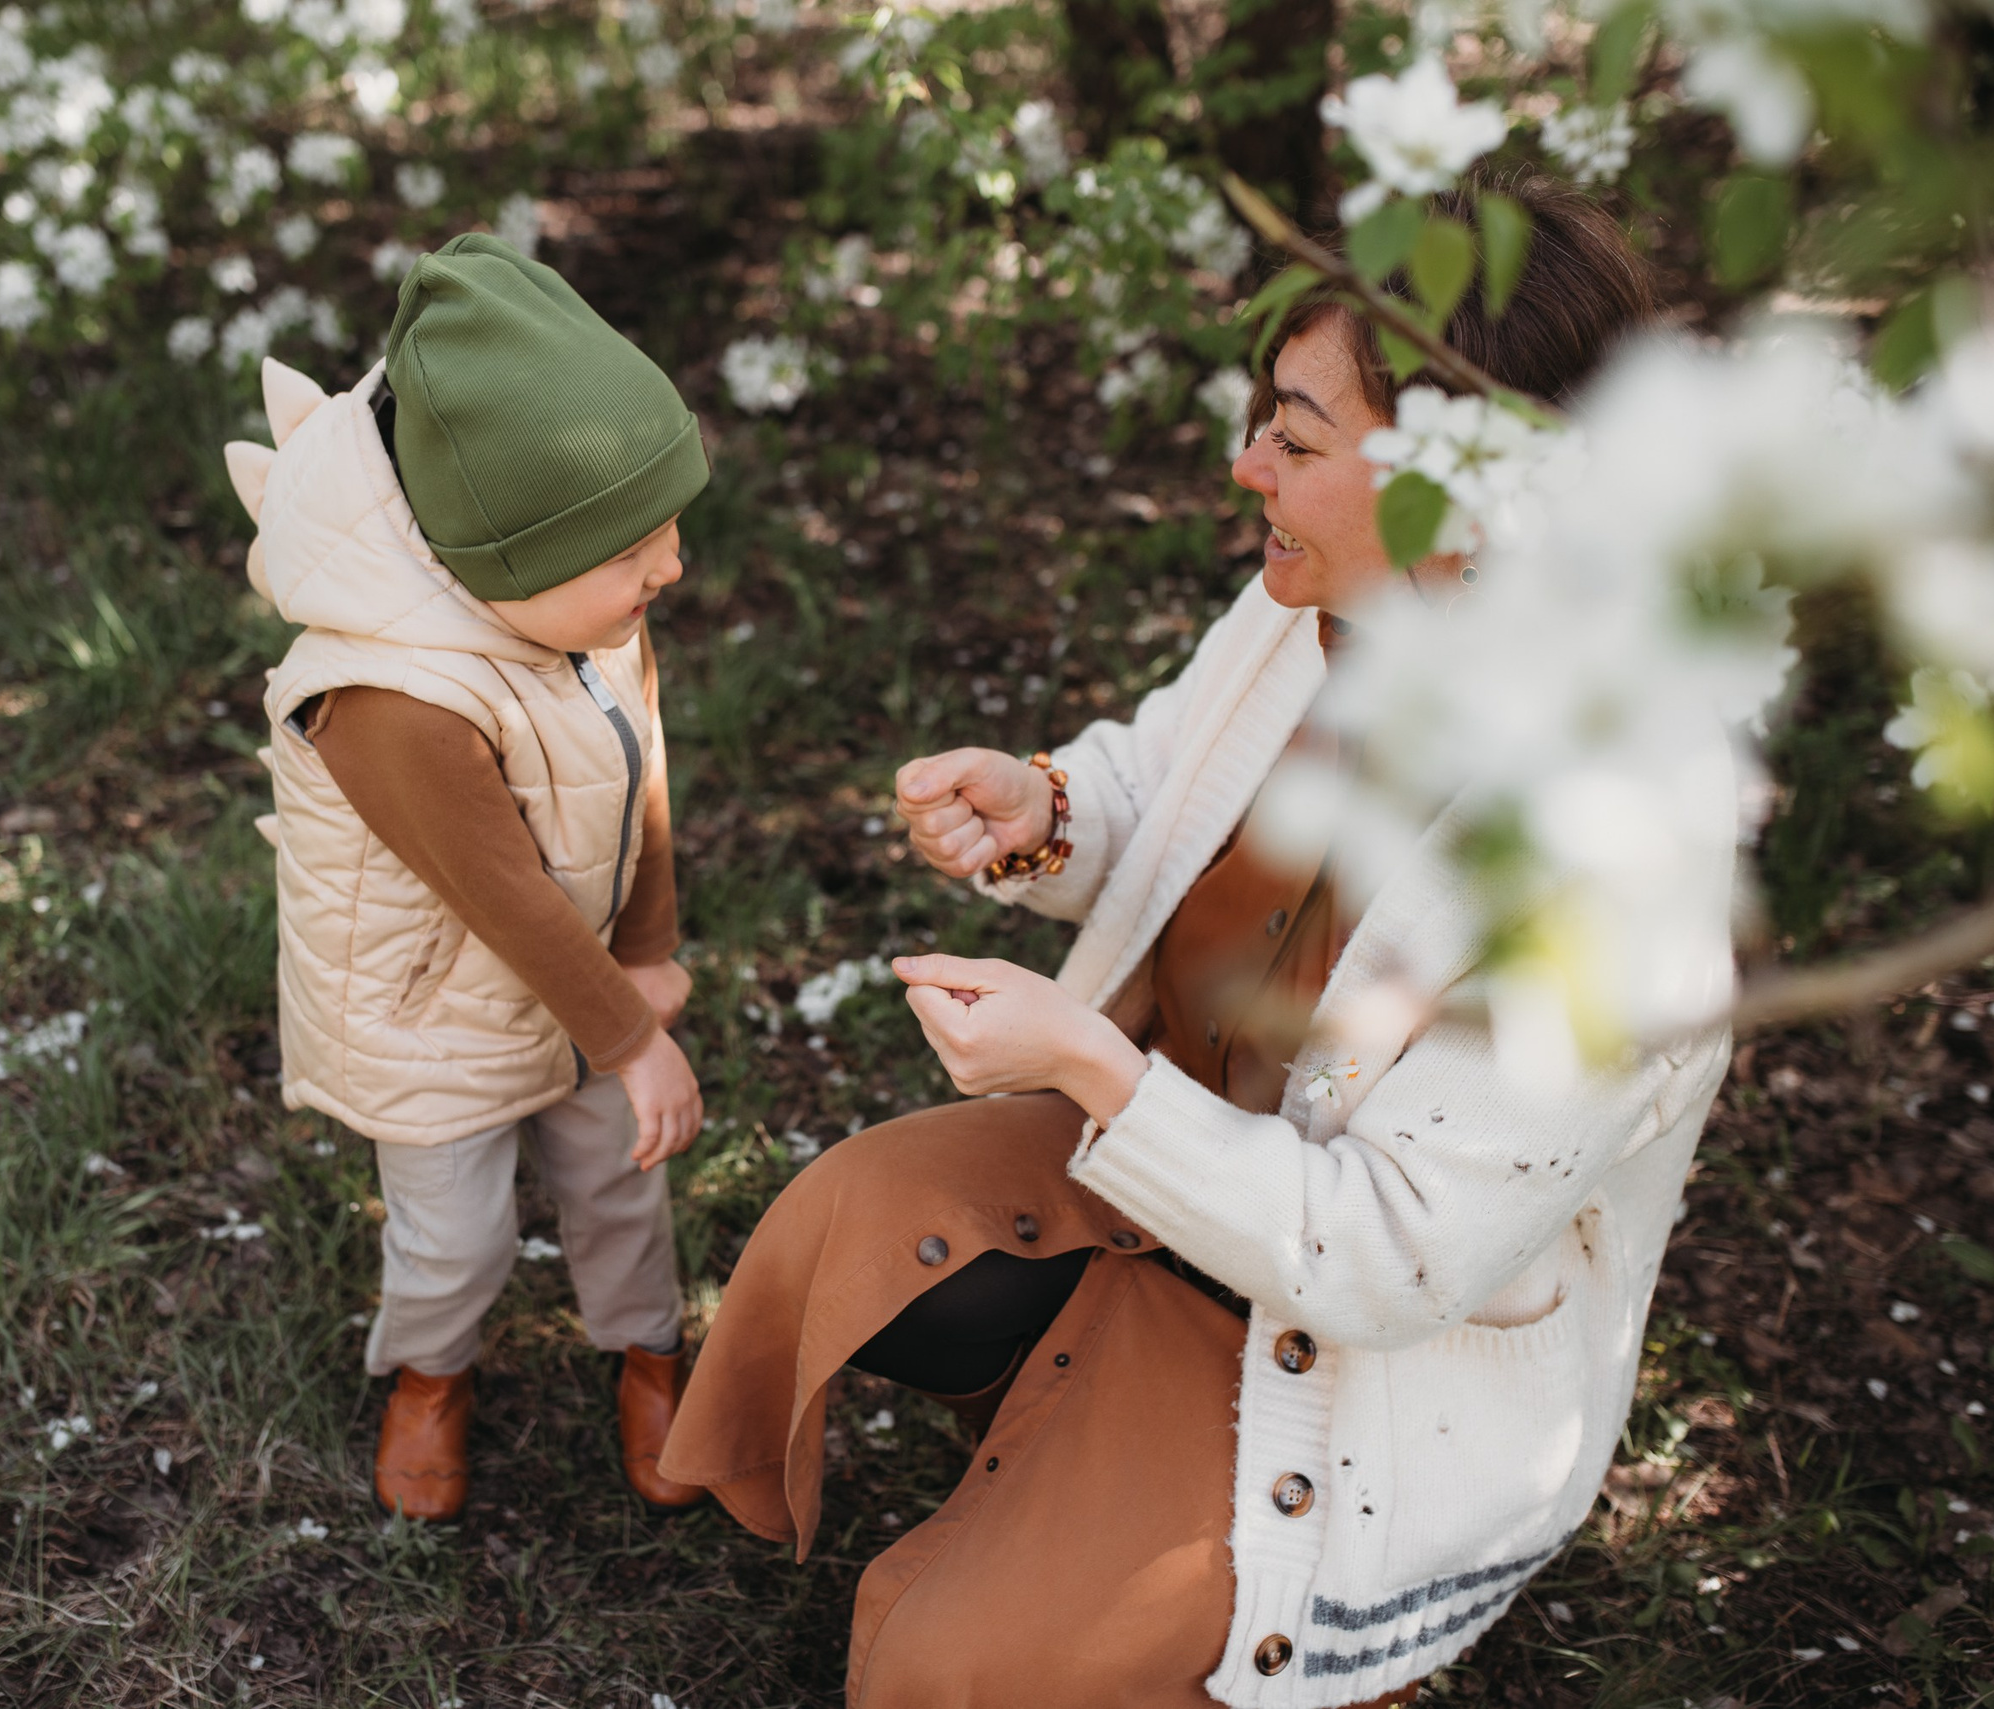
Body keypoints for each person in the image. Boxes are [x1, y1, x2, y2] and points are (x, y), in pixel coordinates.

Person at [658, 178, 1723, 1706]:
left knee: (941, 1675)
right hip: (1176, 1190)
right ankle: (1085, 1451)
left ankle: (1278, 1606)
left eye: (1294, 438)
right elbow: (1169, 781)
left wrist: (1093, 1068)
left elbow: (1382, 1255)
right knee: (846, 1227)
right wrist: (1041, 805)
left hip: (1353, 1358)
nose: (1245, 467)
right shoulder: (1316, 603)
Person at [224, 233, 711, 1521]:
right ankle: (428, 1374)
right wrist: (631, 1035)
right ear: (506, 565)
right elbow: (496, 894)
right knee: (456, 1235)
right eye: (633, 550)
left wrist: (648, 945)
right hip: (427, 1012)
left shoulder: (596, 616)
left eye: (669, 532)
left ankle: (650, 1351)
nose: (669, 570)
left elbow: (640, 768)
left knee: (623, 1185)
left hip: (587, 983)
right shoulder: (389, 704)